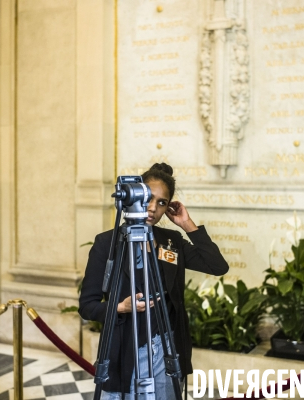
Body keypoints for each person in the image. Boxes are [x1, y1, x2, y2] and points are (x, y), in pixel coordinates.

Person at [78, 163, 229, 399]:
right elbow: (87, 306)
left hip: (167, 349)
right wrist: (120, 307)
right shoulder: (107, 243)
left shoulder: (172, 241)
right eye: (148, 197)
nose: (152, 208)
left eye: (162, 203)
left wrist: (186, 224)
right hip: (124, 349)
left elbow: (217, 266)